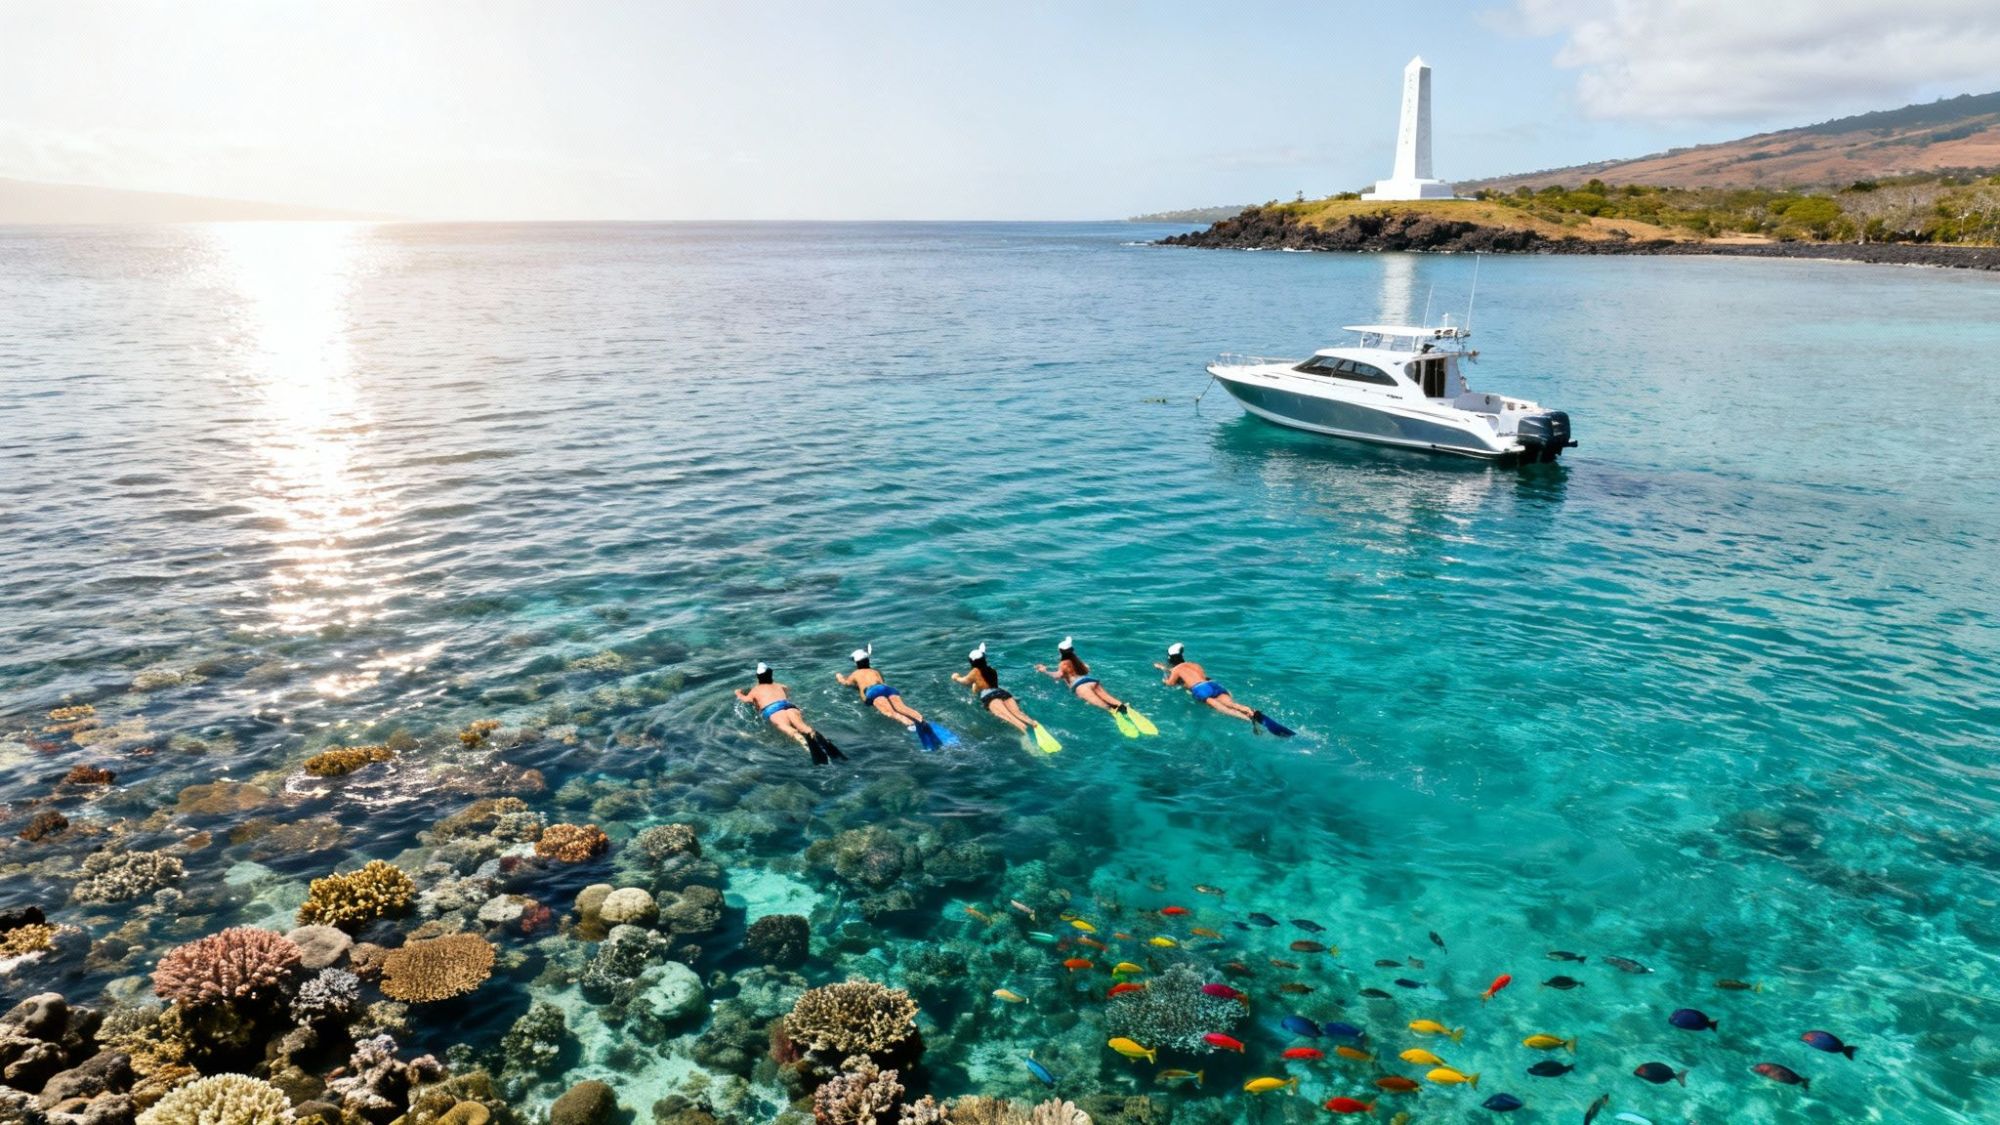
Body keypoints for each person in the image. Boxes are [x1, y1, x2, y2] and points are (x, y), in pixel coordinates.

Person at [1154, 643, 1294, 736]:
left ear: (1171, 660)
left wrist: (1165, 680)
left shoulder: (1176, 669)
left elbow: (1171, 684)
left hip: (1200, 690)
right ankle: (1250, 711)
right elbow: (1200, 677)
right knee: (1232, 704)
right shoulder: (1195, 665)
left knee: (1222, 709)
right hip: (1213, 684)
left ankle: (1248, 719)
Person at [835, 645, 956, 750]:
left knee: (891, 712)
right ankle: (920, 720)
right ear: (868, 661)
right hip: (887, 688)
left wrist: (839, 676)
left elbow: (846, 683)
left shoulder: (855, 673)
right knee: (901, 707)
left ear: (856, 663)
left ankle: (911, 725)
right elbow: (882, 682)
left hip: (872, 692)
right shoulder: (875, 671)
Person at [1036, 636, 1158, 738]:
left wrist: (1044, 671)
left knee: (1105, 706)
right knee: (1111, 700)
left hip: (1080, 687)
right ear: (1072, 650)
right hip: (1091, 681)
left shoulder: (1062, 663)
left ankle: (1115, 712)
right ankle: (1122, 707)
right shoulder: (1077, 659)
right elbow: (1087, 668)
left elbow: (1058, 676)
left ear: (1060, 652)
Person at [952, 643, 1062, 753]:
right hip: (1002, 692)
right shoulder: (992, 670)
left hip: (989, 696)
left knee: (1012, 719)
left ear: (971, 662)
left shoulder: (974, 672)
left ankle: (1031, 747)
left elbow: (964, 681)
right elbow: (985, 683)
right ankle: (1034, 724)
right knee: (1019, 714)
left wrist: (956, 677)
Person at [735, 662, 847, 764]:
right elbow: (787, 692)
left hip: (773, 710)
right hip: (789, 706)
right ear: (771, 674)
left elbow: (746, 700)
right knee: (804, 728)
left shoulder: (755, 690)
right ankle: (823, 742)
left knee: (792, 732)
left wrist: (739, 693)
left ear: (757, 677)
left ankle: (808, 748)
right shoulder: (781, 686)